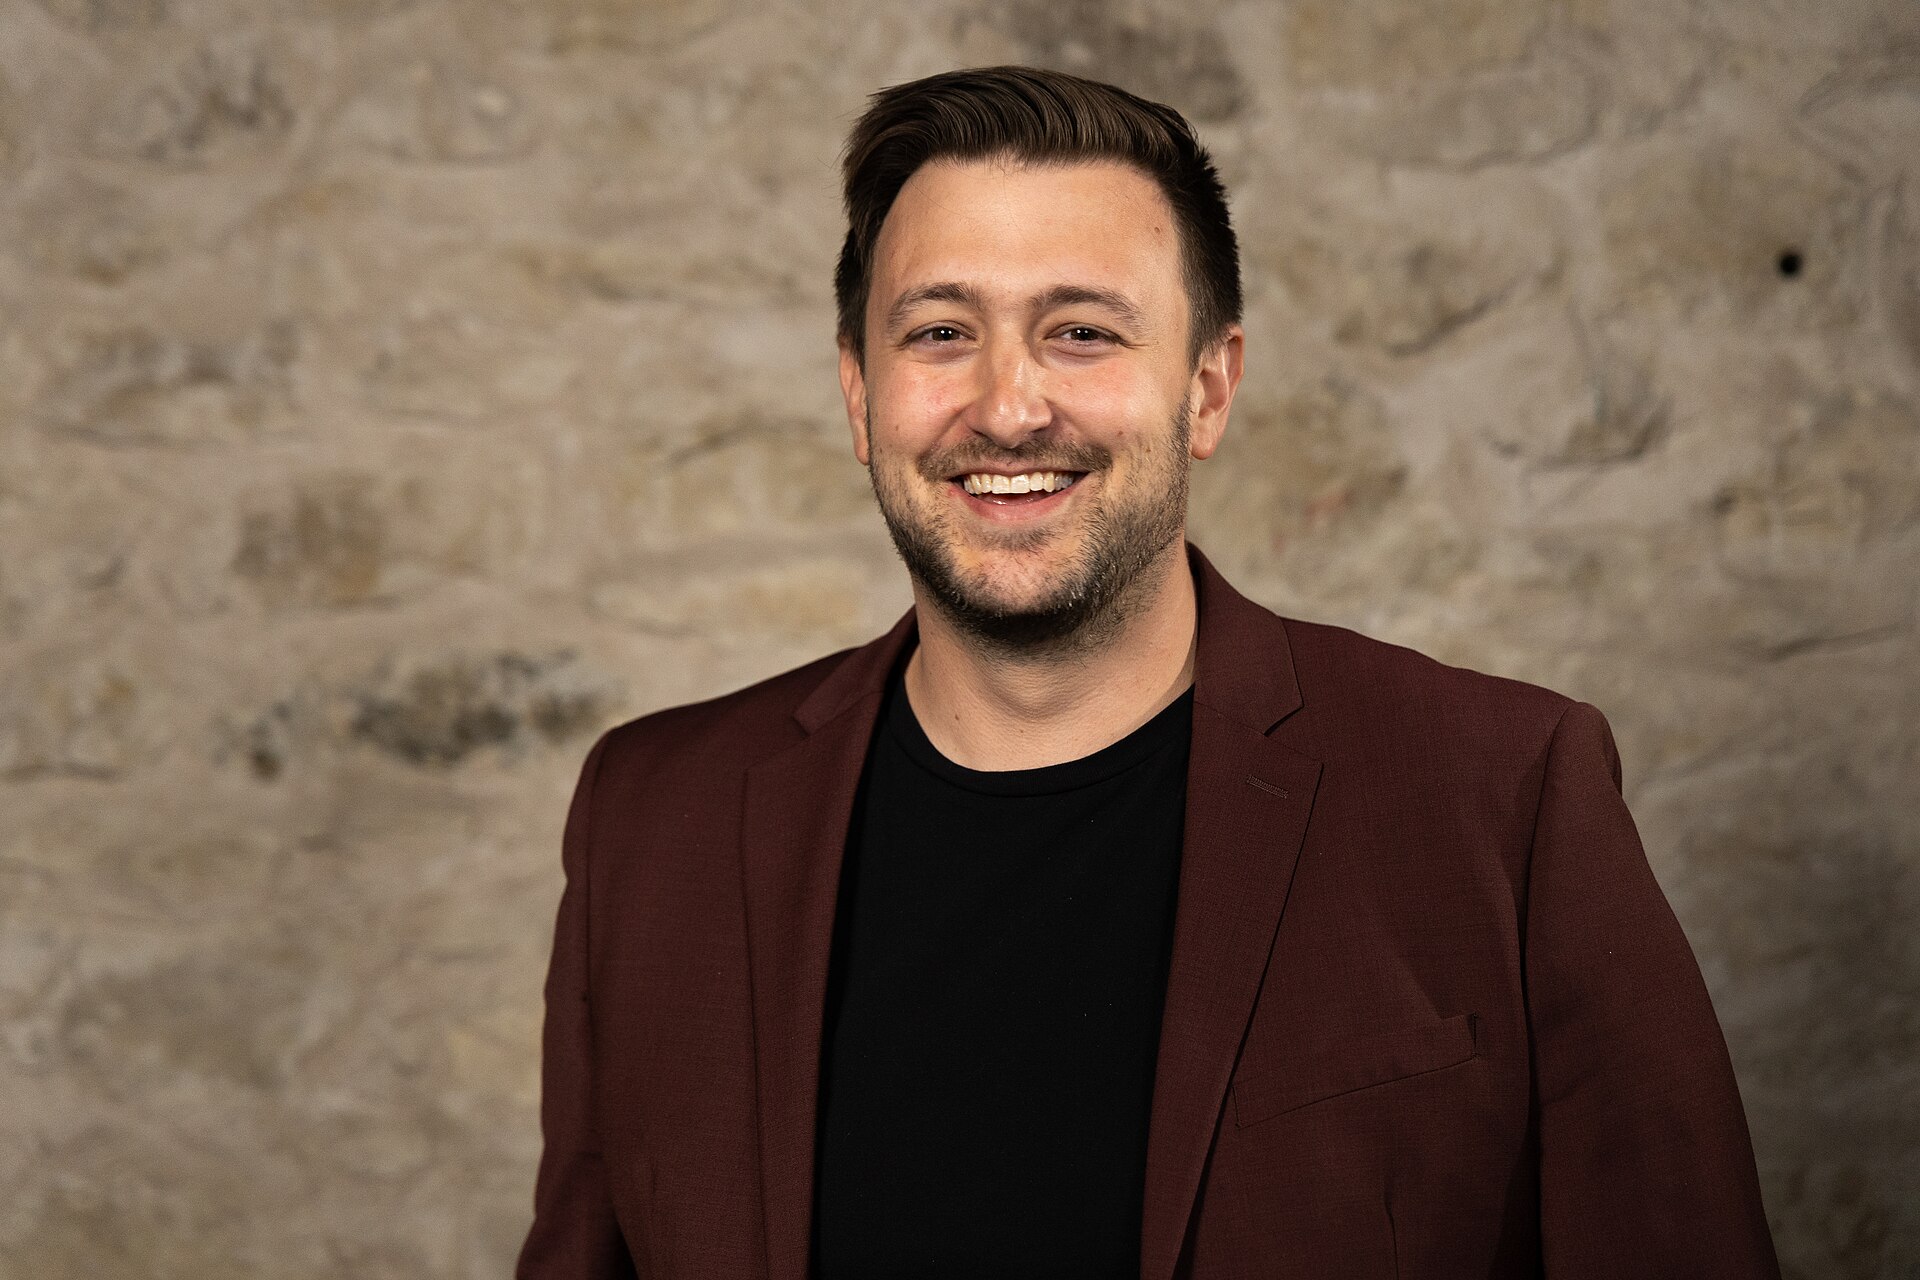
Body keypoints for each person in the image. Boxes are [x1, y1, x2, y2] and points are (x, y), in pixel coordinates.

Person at [518, 66, 1780, 1279]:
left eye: (1081, 331)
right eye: (941, 330)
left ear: (1209, 389)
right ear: (860, 395)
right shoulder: (652, 816)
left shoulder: (1503, 797)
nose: (1008, 407)